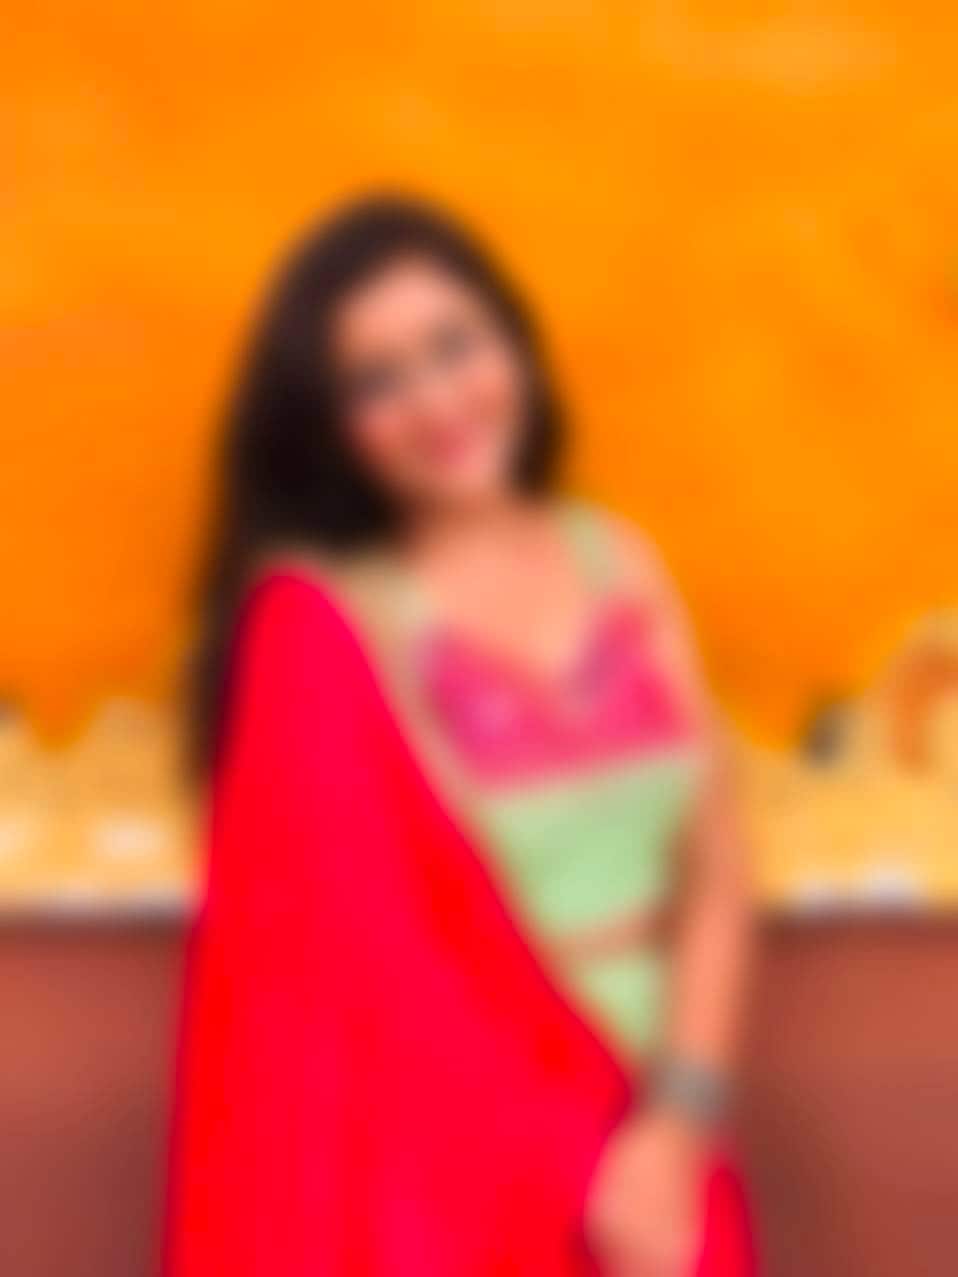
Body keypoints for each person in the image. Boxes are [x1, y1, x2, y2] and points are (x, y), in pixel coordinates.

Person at [164, 195, 755, 1276]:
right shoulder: (327, 631)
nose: (437, 400)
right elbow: (330, 1015)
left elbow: (715, 874)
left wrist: (677, 1122)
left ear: (512, 344)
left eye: (454, 345)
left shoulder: (618, 561)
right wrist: (557, 1151)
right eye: (377, 381)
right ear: (330, 426)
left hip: (662, 1151)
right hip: (463, 1196)